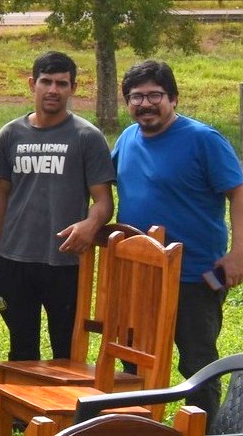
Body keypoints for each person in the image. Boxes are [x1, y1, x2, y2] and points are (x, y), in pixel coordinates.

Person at [111, 59, 242, 413]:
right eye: (136, 97)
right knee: (134, 362)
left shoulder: (203, 140)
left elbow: (238, 192)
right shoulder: (127, 138)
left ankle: (203, 427)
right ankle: (136, 426)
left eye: (155, 95)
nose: (145, 103)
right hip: (139, 274)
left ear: (174, 99)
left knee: (197, 364)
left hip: (193, 276)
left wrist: (238, 253)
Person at [0, 51, 114, 364]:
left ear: (73, 87)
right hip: (15, 260)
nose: (53, 90)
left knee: (67, 350)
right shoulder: (11, 133)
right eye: (46, 81)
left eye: (61, 83)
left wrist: (90, 224)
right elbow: (1, 193)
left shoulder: (87, 137)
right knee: (21, 347)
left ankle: (67, 413)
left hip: (66, 263)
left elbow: (103, 200)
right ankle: (21, 414)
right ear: (32, 84)